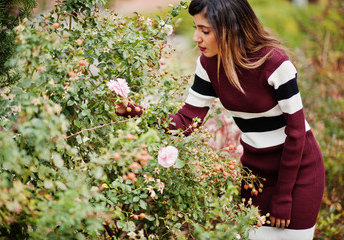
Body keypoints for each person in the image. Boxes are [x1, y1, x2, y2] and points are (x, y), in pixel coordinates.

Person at [114, 0, 325, 239]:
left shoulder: (275, 64)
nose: (196, 38)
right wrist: (136, 111)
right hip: (254, 174)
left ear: (231, 28)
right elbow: (185, 121)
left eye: (205, 31)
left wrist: (284, 195)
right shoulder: (208, 65)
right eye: (195, 28)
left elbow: (296, 132)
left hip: (297, 172)